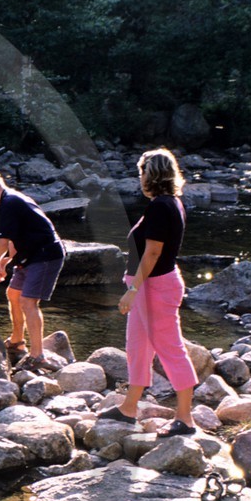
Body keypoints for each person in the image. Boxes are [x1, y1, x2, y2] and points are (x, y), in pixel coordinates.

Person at [98, 148, 197, 436]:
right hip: (150, 286)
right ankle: (129, 408)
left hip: (155, 287)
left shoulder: (161, 207)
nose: (139, 178)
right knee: (137, 348)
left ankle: (185, 419)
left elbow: (153, 253)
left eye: (142, 172)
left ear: (151, 175)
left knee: (170, 349)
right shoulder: (168, 203)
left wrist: (132, 290)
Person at [0, 169, 66, 366]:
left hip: (45, 255)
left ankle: (37, 355)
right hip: (30, 255)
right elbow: (15, 238)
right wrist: (6, 261)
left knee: (28, 301)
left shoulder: (10, 202)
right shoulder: (9, 201)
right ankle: (17, 341)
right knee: (13, 294)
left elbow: (3, 240)